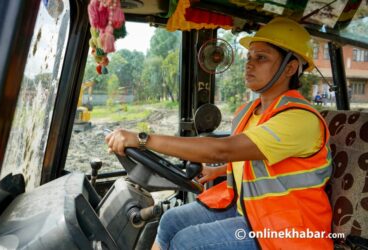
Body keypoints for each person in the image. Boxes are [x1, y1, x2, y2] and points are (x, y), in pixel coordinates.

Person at [106, 17, 333, 250]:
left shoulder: (299, 119)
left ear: (290, 68)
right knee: (170, 220)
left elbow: (221, 150)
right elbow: (259, 159)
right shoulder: (249, 112)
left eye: (261, 57)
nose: (249, 64)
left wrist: (143, 139)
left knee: (187, 242)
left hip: (287, 227)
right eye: (249, 57)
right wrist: (218, 170)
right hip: (249, 210)